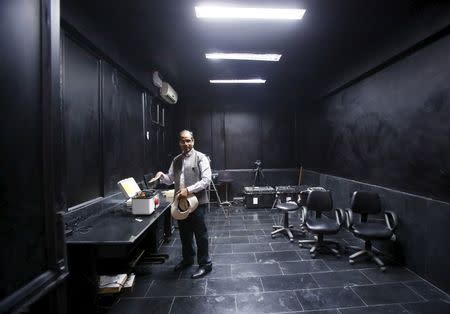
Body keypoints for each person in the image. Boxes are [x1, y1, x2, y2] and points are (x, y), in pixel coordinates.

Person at [152, 130, 212, 279]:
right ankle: (188, 260)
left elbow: (206, 180)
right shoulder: (176, 160)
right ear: (179, 142)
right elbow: (170, 179)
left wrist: (189, 190)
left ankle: (205, 264)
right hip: (181, 203)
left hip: (198, 203)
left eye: (188, 141)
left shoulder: (200, 157)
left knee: (201, 235)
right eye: (182, 141)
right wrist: (161, 176)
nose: (185, 144)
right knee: (185, 234)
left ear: (193, 141)